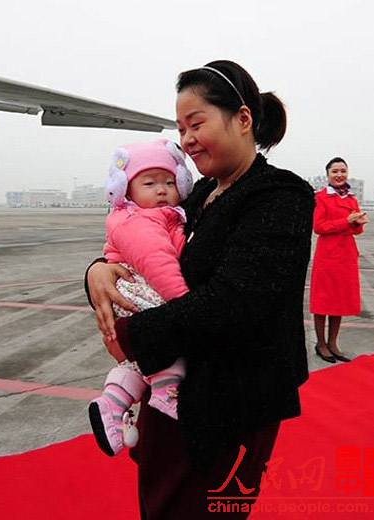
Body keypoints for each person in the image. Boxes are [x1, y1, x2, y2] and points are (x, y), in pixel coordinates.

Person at [85, 60, 314, 519]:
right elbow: (141, 244)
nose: (186, 141)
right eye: (180, 129)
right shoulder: (196, 195)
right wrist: (96, 271)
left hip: (231, 403)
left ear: (243, 119)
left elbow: (234, 303)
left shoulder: (279, 197)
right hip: (171, 392)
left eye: (197, 124)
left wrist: (129, 337)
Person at [88, 139, 194, 457]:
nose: (161, 189)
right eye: (149, 183)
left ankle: (110, 404)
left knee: (135, 364)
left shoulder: (157, 214)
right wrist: (183, 304)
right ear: (127, 190)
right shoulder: (139, 221)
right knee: (168, 347)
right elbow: (158, 264)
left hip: (134, 294)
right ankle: (165, 394)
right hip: (145, 290)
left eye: (169, 182)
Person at [309, 157, 368, 363]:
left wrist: (358, 223)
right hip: (328, 256)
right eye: (335, 171)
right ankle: (321, 343)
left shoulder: (350, 198)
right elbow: (319, 227)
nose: (339, 175)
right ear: (327, 175)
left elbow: (356, 231)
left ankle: (333, 342)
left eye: (343, 171)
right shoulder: (321, 197)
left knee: (339, 301)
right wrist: (346, 221)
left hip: (346, 255)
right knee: (323, 302)